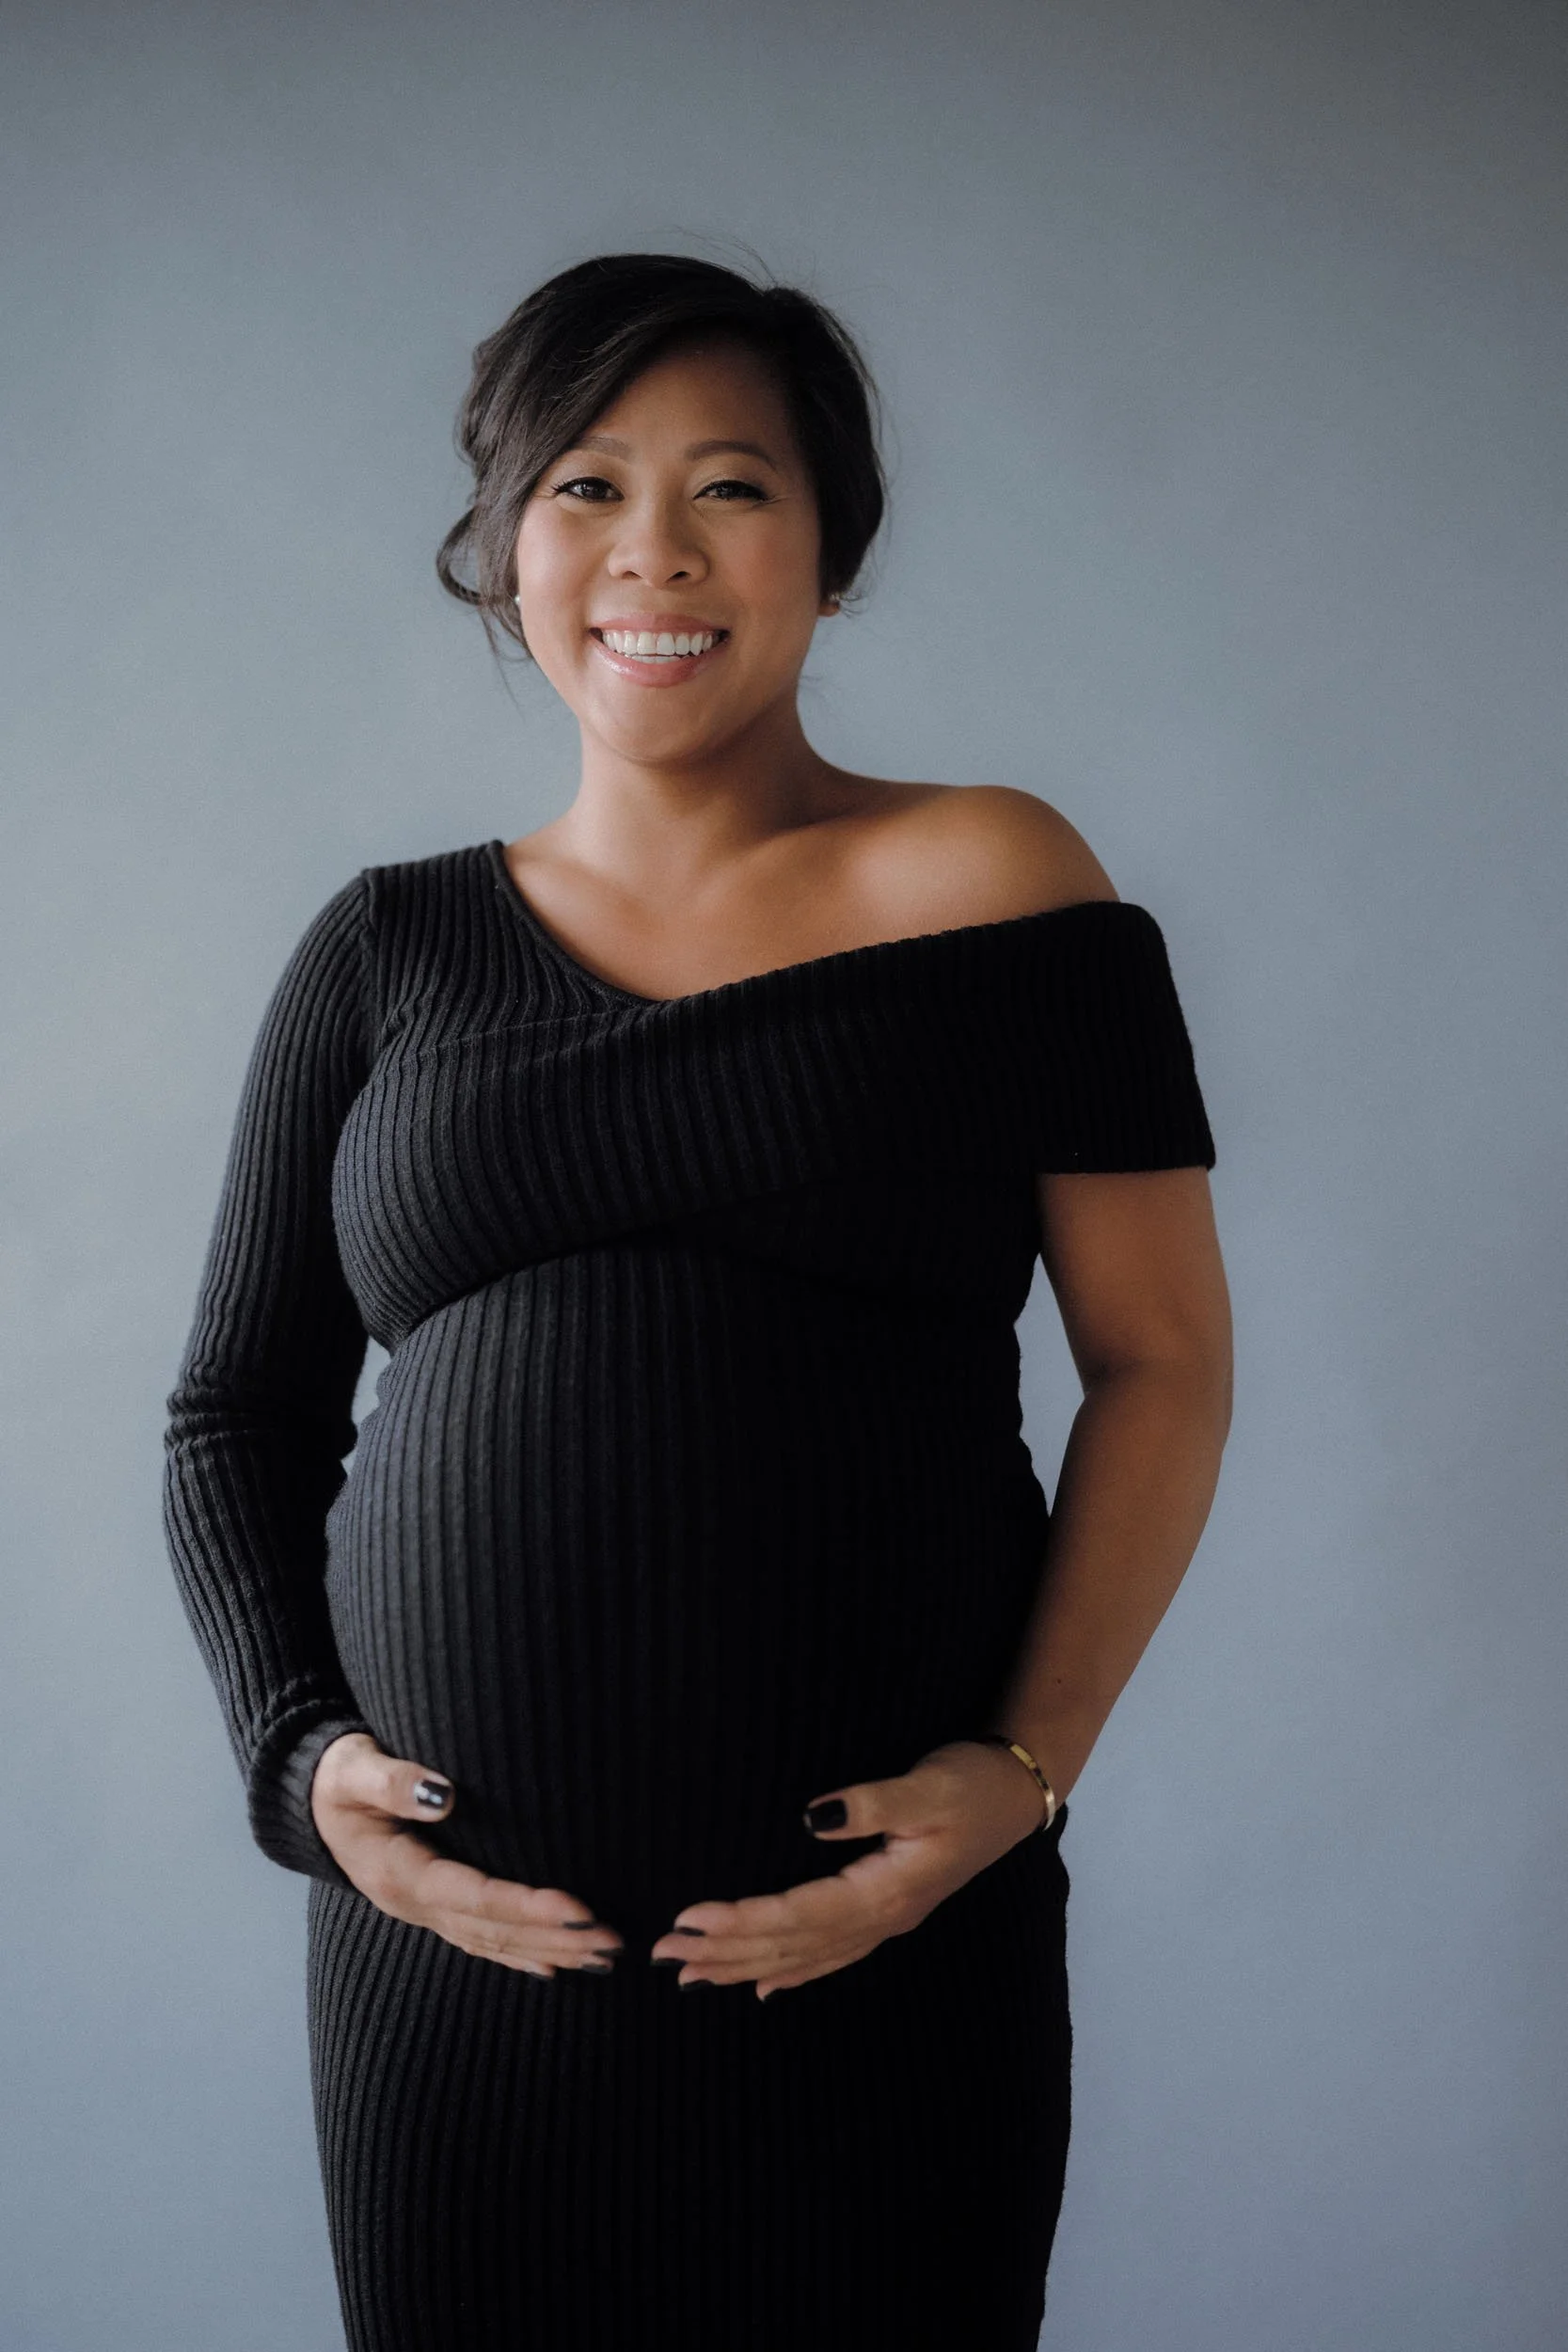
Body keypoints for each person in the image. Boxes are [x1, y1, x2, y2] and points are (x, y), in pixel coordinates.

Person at [162, 250, 1231, 2352]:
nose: (651, 549)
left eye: (731, 485)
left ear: (832, 552)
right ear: (503, 551)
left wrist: (1020, 1774)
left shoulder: (1003, 881)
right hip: (461, 1985)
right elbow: (234, 1411)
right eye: (583, 484)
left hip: (880, 1946)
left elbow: (1159, 1364)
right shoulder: (385, 953)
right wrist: (300, 1767)